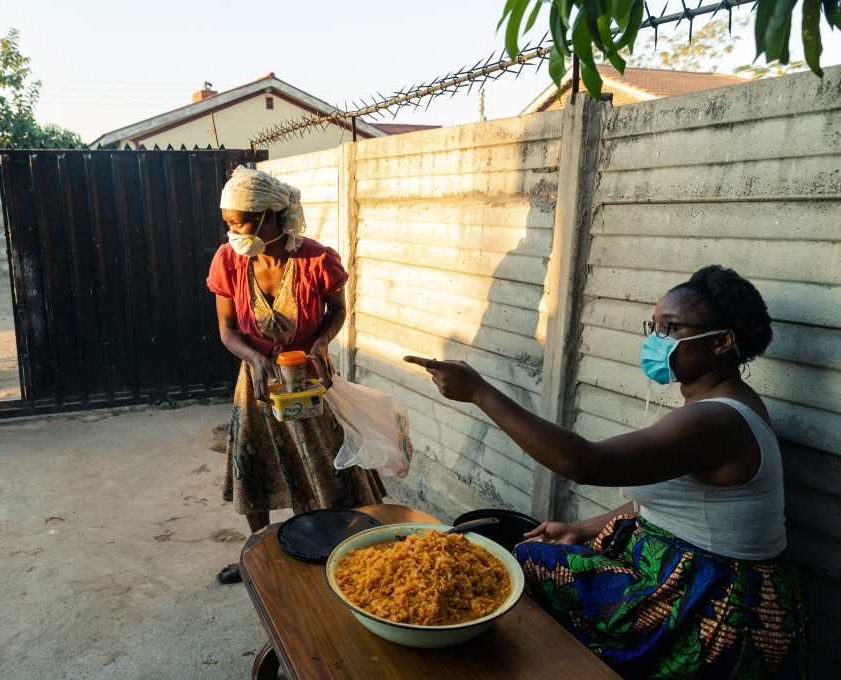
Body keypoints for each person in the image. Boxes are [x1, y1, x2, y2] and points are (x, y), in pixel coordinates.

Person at [404, 265, 808, 678]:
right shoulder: (712, 405)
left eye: (669, 328)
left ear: (722, 342)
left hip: (715, 600)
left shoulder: (717, 420)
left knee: (529, 568)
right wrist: (583, 528)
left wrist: (479, 392)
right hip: (682, 568)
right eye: (653, 326)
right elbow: (676, 499)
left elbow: (585, 463)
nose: (655, 340)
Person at [208, 165, 384, 584]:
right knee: (254, 465)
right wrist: (253, 358)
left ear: (272, 215)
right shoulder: (228, 260)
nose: (233, 232)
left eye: (241, 222)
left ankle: (331, 548)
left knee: (327, 469)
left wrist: (320, 344)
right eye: (228, 223)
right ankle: (260, 558)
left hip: (308, 379)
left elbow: (337, 311)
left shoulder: (317, 259)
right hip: (257, 383)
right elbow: (227, 330)